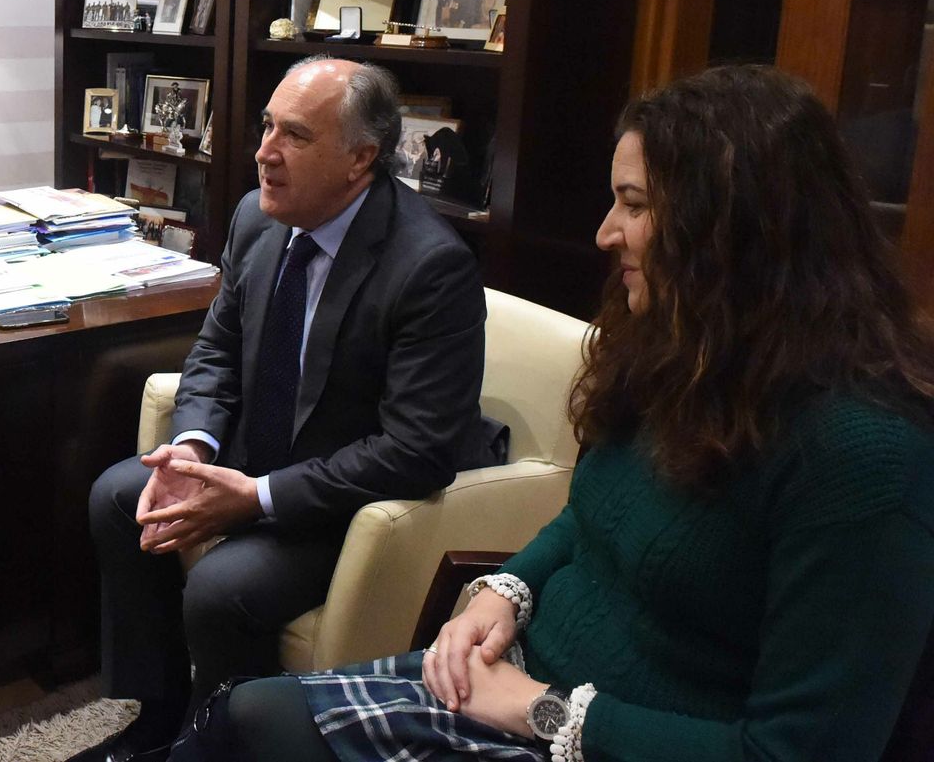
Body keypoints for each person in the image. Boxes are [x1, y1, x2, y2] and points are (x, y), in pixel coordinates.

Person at [178, 64, 934, 762]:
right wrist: (508, 589)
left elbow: (798, 751)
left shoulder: (863, 451)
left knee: (259, 731)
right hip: (520, 677)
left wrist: (548, 713)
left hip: (580, 731)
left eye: (633, 204)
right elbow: (590, 515)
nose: (605, 231)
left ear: (734, 229)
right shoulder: (685, 355)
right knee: (243, 716)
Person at [72, 57, 505, 762]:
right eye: (267, 126)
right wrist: (194, 450)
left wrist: (257, 498)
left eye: (294, 136)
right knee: (120, 497)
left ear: (361, 158)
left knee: (221, 587)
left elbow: (415, 449)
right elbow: (215, 350)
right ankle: (159, 716)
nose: (264, 152)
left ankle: (219, 743)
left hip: (345, 498)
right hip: (254, 454)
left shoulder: (430, 266)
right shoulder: (257, 218)